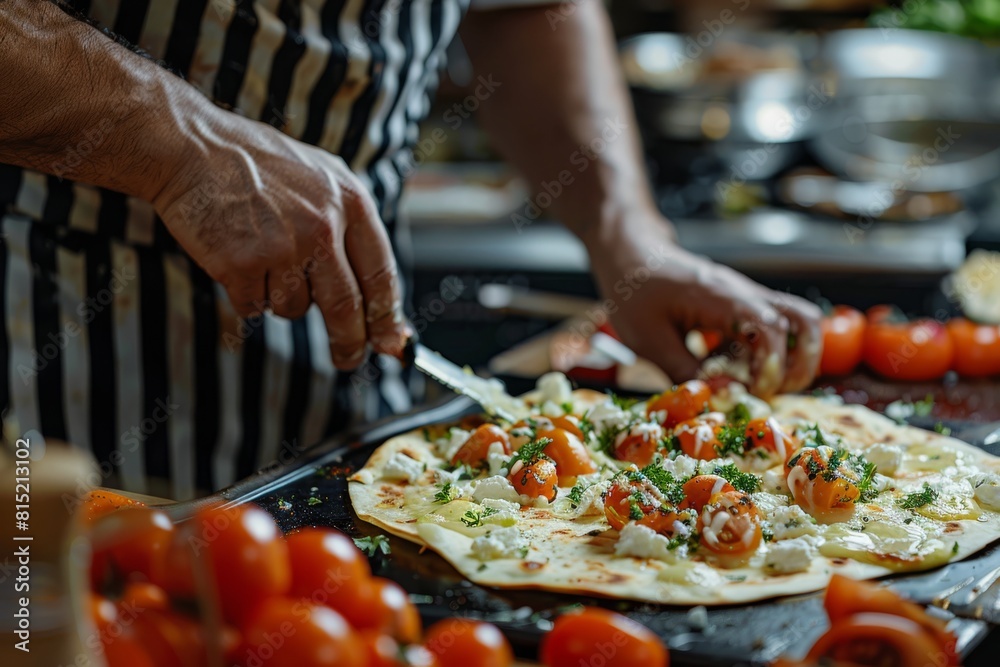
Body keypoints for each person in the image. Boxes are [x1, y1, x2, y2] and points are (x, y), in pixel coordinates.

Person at [0, 0, 821, 499]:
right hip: (67, 337)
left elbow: (524, 10)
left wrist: (629, 240)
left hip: (365, 352)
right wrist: (184, 145)